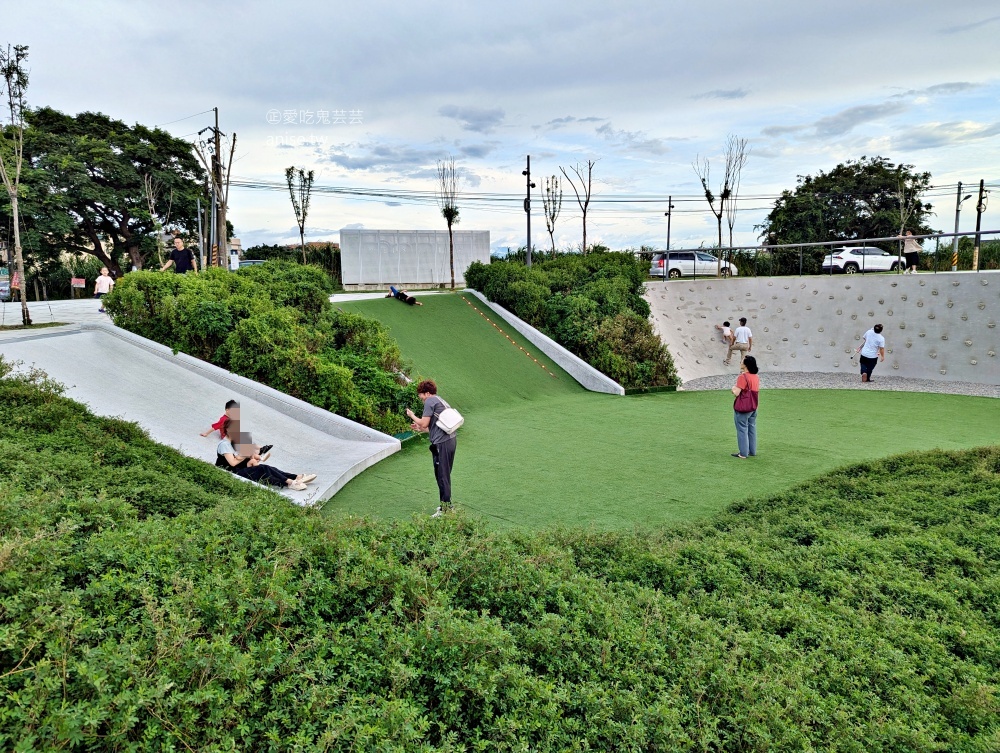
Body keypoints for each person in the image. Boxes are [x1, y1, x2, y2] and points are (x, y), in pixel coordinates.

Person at [216, 418, 314, 490]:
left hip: (239, 469)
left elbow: (239, 457)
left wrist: (250, 456)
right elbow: (233, 463)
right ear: (228, 429)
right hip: (232, 473)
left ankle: (296, 477)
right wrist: (245, 454)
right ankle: (290, 482)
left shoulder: (234, 442)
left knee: (269, 469)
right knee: (263, 469)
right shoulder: (224, 444)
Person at [406, 379, 456, 517]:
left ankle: (446, 509)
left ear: (427, 393)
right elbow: (435, 427)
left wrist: (412, 415)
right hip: (450, 441)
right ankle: (446, 505)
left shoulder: (430, 401)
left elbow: (424, 422)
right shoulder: (440, 400)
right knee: (444, 475)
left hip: (441, 444)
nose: (421, 398)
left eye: (421, 395)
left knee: (442, 475)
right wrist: (421, 429)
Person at [731, 355, 759, 459]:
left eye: (742, 361)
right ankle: (752, 451)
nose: (740, 362)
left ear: (746, 365)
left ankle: (743, 453)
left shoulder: (743, 377)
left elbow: (737, 393)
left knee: (742, 429)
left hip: (743, 407)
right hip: (753, 406)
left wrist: (733, 388)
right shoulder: (755, 377)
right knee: (752, 428)